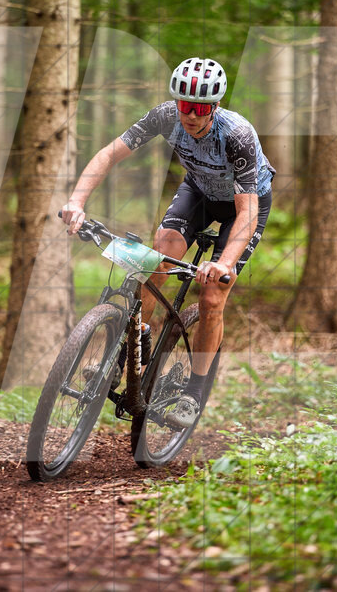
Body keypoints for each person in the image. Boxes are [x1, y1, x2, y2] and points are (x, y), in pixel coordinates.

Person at [60, 57, 274, 428]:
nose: (189, 115)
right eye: (183, 104)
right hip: (199, 192)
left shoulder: (237, 135)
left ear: (215, 106)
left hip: (245, 206)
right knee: (157, 258)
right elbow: (111, 153)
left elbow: (248, 212)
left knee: (211, 297)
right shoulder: (164, 116)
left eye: (198, 108)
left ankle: (193, 392)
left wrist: (223, 265)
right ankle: (130, 348)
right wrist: (76, 202)